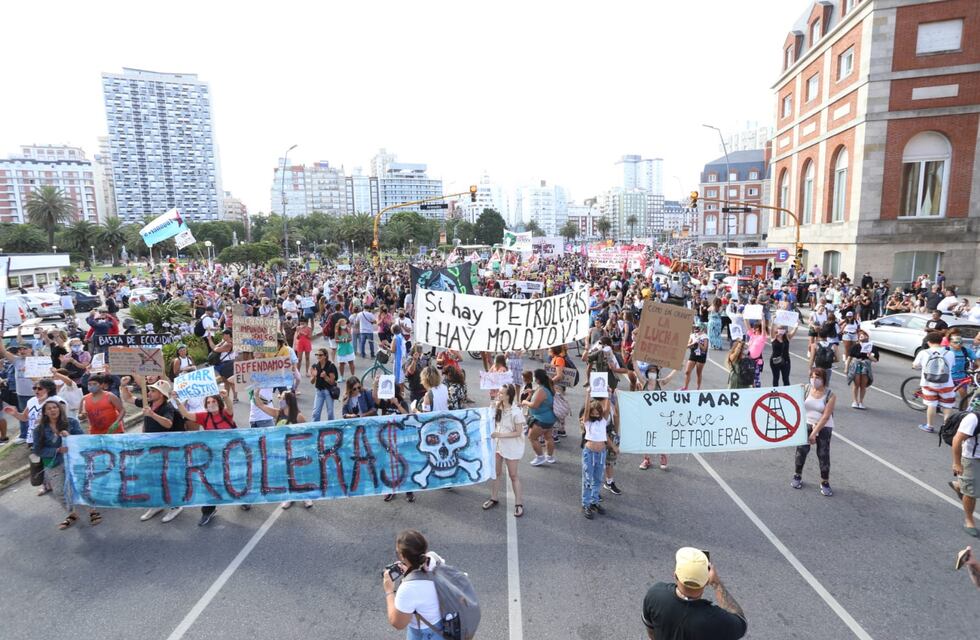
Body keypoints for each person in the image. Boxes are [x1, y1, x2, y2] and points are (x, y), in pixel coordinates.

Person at [641, 547, 747, 639]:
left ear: (675, 575)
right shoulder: (717, 620)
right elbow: (741, 622)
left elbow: (651, 631)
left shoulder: (655, 594)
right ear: (707, 581)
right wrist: (717, 584)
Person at [119, 378, 186, 521]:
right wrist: (123, 385)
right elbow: (128, 398)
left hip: (167, 449)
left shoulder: (168, 407)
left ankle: (175, 506)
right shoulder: (148, 403)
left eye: (153, 391)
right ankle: (157, 503)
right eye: (150, 390)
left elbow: (168, 424)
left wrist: (152, 415)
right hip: (151, 447)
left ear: (161, 394)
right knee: (153, 476)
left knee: (168, 477)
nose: (149, 393)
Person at [32, 399, 99, 530]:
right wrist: (56, 450)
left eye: (55, 407)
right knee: (58, 491)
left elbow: (82, 440)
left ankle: (93, 511)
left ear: (60, 409)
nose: (52, 410)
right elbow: (38, 450)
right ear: (45, 412)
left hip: (74, 460)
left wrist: (69, 437)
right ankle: (72, 513)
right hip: (54, 463)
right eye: (49, 408)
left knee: (82, 487)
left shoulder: (71, 422)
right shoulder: (39, 429)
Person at [174, 393, 237, 525]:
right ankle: (208, 511)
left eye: (214, 401)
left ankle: (244, 501)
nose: (211, 404)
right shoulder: (204, 416)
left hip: (231, 455)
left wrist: (226, 397)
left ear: (219, 403)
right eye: (208, 402)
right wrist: (177, 401)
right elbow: (186, 414)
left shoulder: (226, 413)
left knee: (236, 478)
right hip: (213, 457)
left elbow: (230, 406)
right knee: (210, 483)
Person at [382, 530, 444, 638]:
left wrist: (389, 591)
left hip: (426, 632)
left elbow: (397, 623)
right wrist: (410, 572)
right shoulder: (435, 559)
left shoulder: (408, 588)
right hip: (443, 623)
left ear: (402, 556)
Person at [791, 368, 837, 496]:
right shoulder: (806, 389)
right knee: (801, 451)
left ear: (823, 379)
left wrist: (814, 433)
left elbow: (826, 417)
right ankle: (797, 475)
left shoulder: (830, 395)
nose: (814, 380)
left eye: (818, 377)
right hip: (806, 423)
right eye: (812, 377)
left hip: (823, 426)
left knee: (823, 454)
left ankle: (825, 482)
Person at [483, 383, 525, 517]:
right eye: (499, 392)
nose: (498, 394)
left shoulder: (516, 412)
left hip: (511, 447)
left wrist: (500, 435)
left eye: (501, 393)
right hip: (498, 446)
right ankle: (493, 498)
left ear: (508, 396)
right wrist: (491, 409)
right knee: (496, 473)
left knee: (513, 475)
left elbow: (518, 432)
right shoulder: (497, 407)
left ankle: (518, 504)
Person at [913, 331, 957, 433]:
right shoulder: (950, 353)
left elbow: (915, 365)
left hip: (928, 384)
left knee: (931, 405)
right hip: (947, 384)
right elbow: (952, 365)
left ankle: (929, 426)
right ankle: (946, 428)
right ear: (941, 341)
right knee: (947, 406)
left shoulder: (923, 353)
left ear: (928, 342)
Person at [580, 391, 615, 519]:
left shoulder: (603, 421)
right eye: (593, 412)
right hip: (589, 453)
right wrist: (587, 395)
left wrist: (609, 395)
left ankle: (594, 502)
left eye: (597, 412)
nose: (595, 414)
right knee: (587, 479)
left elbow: (607, 409)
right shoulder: (587, 422)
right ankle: (586, 504)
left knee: (598, 479)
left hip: (601, 454)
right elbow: (586, 410)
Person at [950, 409, 979, 538]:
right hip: (972, 459)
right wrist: (957, 463)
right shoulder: (973, 419)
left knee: (973, 488)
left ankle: (960, 485)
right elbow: (957, 440)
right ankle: (969, 520)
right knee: (971, 492)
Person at [523, 368, 557, 466]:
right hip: (550, 418)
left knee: (532, 437)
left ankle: (540, 457)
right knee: (548, 437)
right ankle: (550, 457)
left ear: (537, 379)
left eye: (534, 377)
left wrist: (525, 402)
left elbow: (534, 405)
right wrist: (532, 391)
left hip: (542, 420)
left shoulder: (542, 390)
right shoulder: (547, 386)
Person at [847, 329, 879, 409]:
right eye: (860, 334)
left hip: (866, 366)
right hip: (856, 365)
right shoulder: (856, 346)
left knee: (863, 385)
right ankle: (855, 401)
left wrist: (870, 356)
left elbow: (876, 360)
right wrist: (846, 368)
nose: (861, 336)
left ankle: (861, 402)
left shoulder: (872, 347)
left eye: (864, 334)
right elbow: (849, 357)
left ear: (867, 337)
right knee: (856, 384)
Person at [310, 348, 339, 422]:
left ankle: (331, 427)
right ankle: (315, 427)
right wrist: (314, 376)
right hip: (319, 391)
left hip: (328, 391)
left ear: (325, 356)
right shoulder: (315, 366)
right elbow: (312, 382)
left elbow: (332, 382)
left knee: (330, 413)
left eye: (320, 355)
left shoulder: (331, 366)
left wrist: (326, 377)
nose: (318, 356)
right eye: (317, 355)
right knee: (315, 413)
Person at [682, 323, 709, 390]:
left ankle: (698, 388)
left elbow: (704, 349)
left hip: (701, 356)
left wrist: (699, 343)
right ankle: (685, 387)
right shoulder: (692, 336)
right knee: (687, 372)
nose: (695, 329)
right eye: (695, 327)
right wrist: (692, 343)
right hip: (693, 355)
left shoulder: (705, 337)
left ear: (701, 329)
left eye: (697, 327)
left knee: (698, 373)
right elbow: (687, 346)